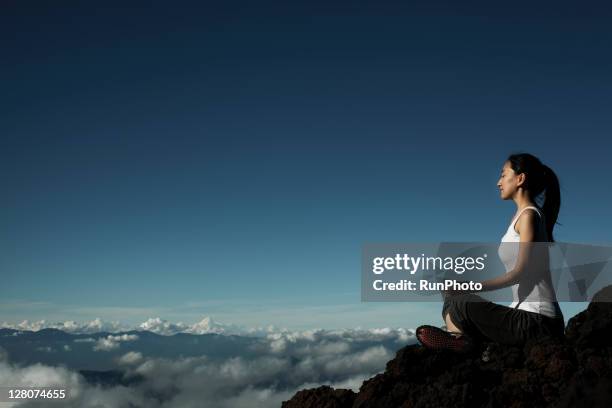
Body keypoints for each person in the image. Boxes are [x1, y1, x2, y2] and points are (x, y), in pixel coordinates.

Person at [416, 153, 566, 352]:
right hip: (523, 316)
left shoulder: (529, 216)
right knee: (450, 292)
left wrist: (472, 286)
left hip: (539, 322)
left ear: (520, 179)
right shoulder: (521, 216)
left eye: (503, 175)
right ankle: (461, 338)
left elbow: (520, 272)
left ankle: (463, 342)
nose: (498, 182)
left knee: (462, 302)